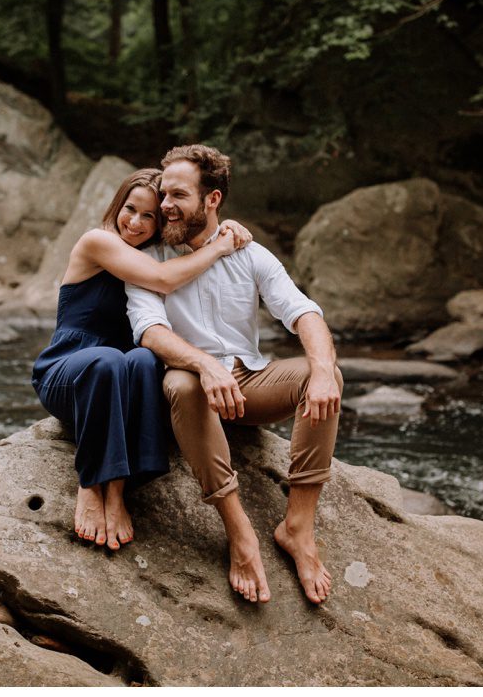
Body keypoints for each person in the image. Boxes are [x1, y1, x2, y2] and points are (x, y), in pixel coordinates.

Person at [125, 145, 342, 605]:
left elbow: (302, 311)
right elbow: (149, 330)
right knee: (182, 382)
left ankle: (297, 528)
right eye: (164, 193)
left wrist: (323, 370)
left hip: (248, 383)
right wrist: (203, 365)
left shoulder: (249, 252)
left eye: (178, 195)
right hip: (189, 392)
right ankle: (239, 530)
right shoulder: (148, 256)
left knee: (322, 375)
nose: (165, 205)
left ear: (212, 199)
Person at [32, 168, 251, 551]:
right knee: (110, 360)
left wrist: (224, 229)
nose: (134, 222)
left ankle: (117, 492)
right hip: (68, 372)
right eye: (130, 209)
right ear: (118, 204)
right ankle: (90, 483)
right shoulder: (98, 241)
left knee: (144, 360)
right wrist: (220, 247)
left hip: (123, 378)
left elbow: (197, 239)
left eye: (148, 216)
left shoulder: (164, 255)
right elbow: (163, 279)